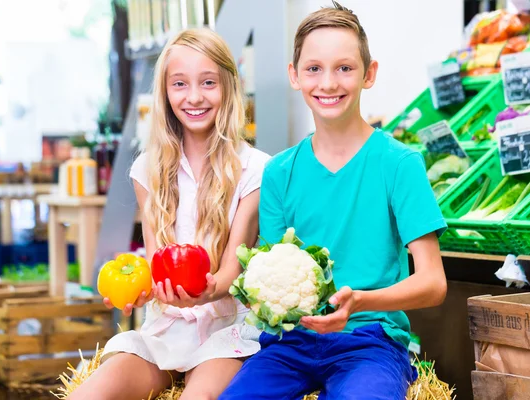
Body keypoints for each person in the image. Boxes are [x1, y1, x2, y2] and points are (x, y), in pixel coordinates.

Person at [219, 2, 448, 400]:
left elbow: (433, 283)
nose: (328, 83)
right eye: (313, 69)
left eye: (345, 68)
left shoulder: (399, 164)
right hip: (291, 346)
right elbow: (272, 276)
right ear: (294, 76)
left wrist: (360, 300)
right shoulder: (279, 173)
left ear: (369, 73)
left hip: (370, 341)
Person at [68, 28, 270, 400]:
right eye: (179, 84)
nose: (194, 97)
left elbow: (231, 271)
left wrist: (205, 291)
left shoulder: (255, 169)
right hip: (164, 332)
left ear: (228, 87)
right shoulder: (148, 169)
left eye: (208, 82)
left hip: (226, 331)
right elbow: (157, 261)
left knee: (199, 398)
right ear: (164, 92)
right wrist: (139, 290)